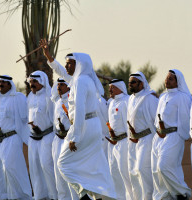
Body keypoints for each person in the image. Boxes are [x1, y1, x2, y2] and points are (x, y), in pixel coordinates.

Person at [40, 39, 116, 199]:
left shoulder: (80, 81)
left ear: (79, 64)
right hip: (91, 125)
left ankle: (83, 195)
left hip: (84, 126)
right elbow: (61, 72)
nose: (67, 66)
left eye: (70, 63)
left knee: (63, 163)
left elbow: (80, 110)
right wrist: (49, 57)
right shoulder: (82, 80)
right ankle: (100, 196)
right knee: (93, 165)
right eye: (67, 63)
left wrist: (75, 136)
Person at [0, 75, 32, 200]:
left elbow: (25, 117)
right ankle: (1, 196)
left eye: (4, 83)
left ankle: (22, 196)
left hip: (12, 137)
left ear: (10, 85)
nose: (0, 84)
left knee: (11, 167)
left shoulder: (18, 98)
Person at [152, 69, 192, 200]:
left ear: (177, 82)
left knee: (163, 166)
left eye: (171, 79)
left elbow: (185, 119)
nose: (167, 81)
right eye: (166, 78)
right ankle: (167, 196)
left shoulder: (182, 97)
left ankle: (181, 193)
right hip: (159, 137)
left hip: (174, 136)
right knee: (157, 170)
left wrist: (180, 136)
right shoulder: (163, 96)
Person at [27, 70, 58, 200]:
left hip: (47, 136)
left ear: (42, 82)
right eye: (31, 82)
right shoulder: (30, 97)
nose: (32, 84)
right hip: (33, 138)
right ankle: (40, 196)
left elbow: (54, 119)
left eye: (35, 81)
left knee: (46, 165)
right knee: (35, 167)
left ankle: (53, 195)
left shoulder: (49, 97)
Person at [127, 72, 158, 200]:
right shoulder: (131, 99)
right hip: (133, 140)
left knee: (142, 170)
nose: (130, 84)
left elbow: (156, 121)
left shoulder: (150, 98)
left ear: (141, 83)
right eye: (129, 82)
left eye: (133, 82)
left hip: (147, 138)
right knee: (133, 173)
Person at [51, 78, 79, 200]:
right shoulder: (57, 101)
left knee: (70, 172)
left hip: (69, 140)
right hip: (58, 139)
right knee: (58, 173)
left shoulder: (72, 101)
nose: (59, 87)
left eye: (62, 84)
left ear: (68, 86)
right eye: (58, 85)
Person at [106, 79, 133, 200]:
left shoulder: (126, 101)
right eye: (109, 87)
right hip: (113, 144)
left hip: (124, 143)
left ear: (120, 88)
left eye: (113, 87)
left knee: (126, 174)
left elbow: (128, 124)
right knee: (114, 174)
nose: (110, 90)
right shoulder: (111, 103)